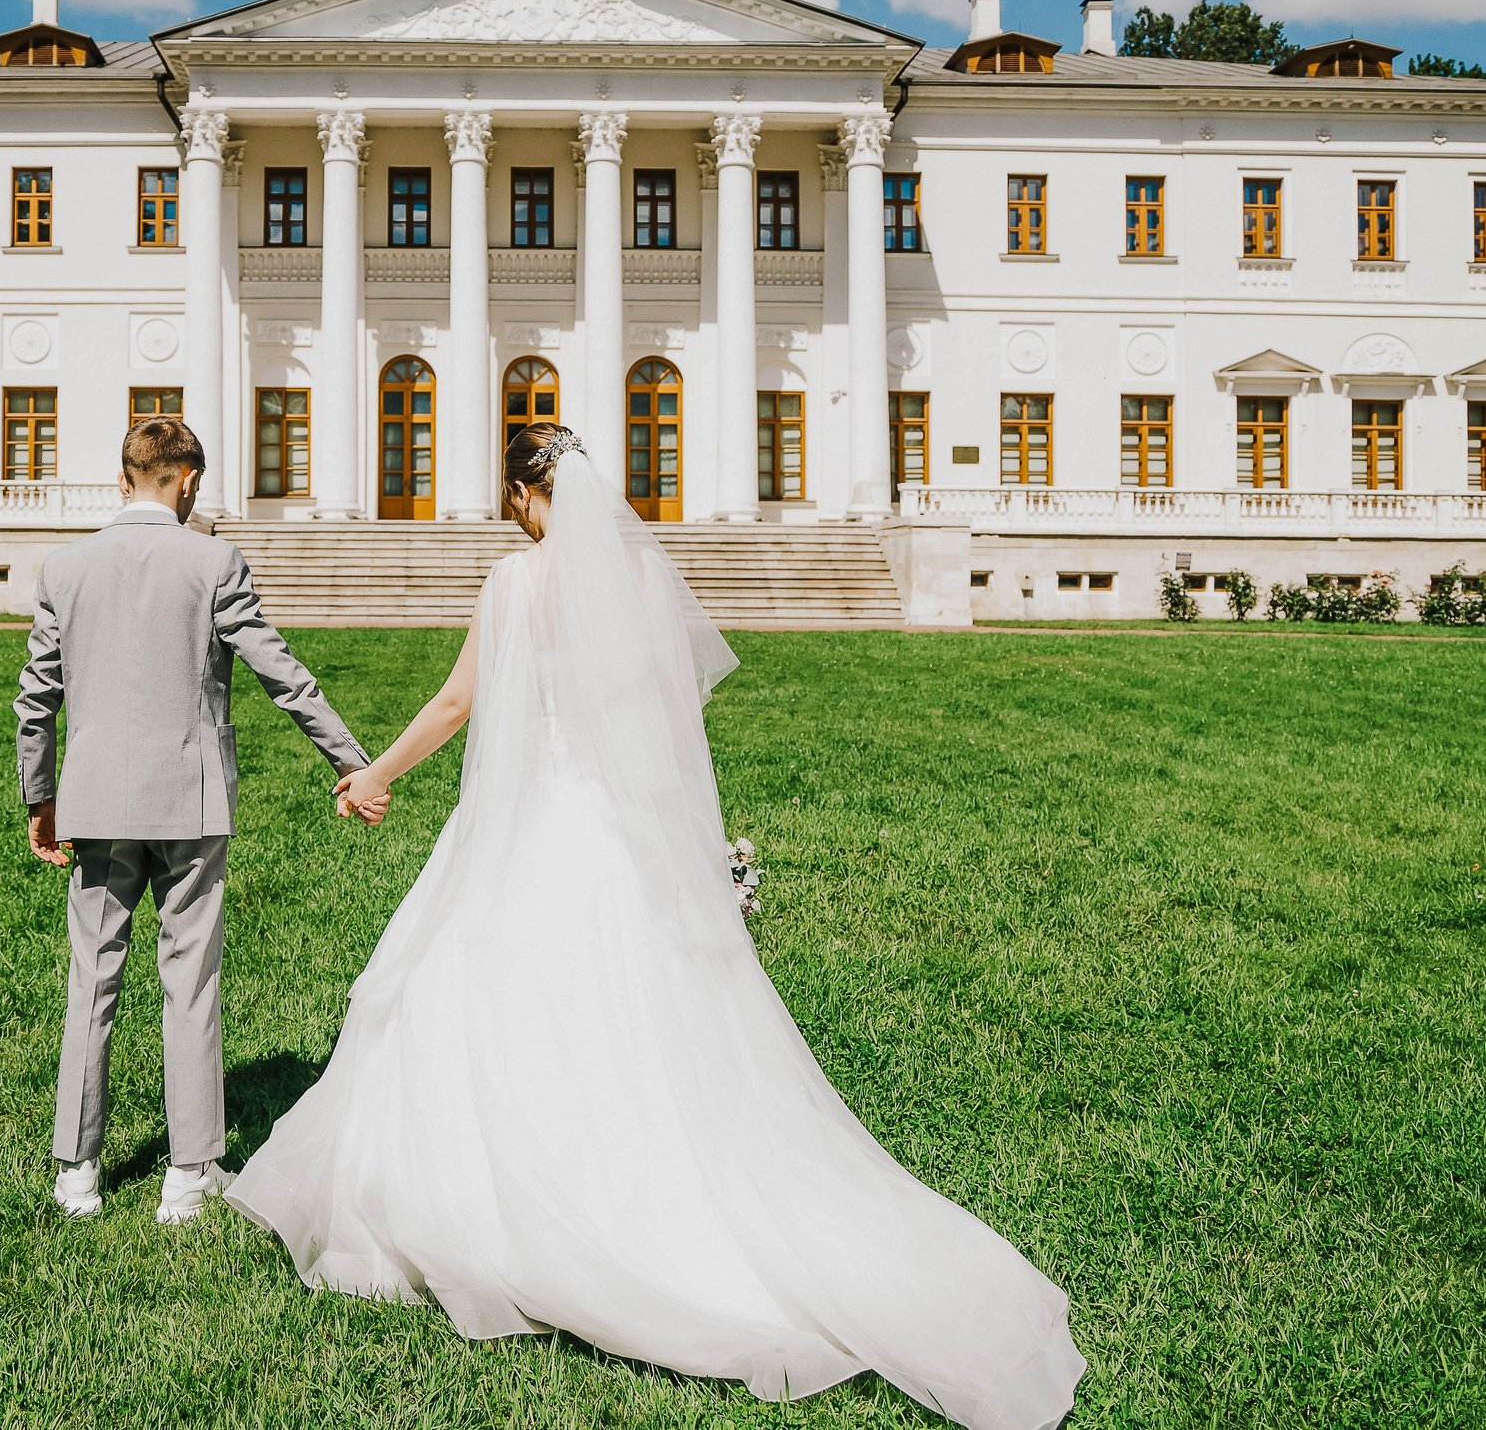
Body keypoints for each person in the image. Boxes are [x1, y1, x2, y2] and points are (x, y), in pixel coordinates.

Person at [227, 425, 1086, 1426]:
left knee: (468, 995)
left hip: (521, 830)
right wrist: (690, 854)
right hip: (614, 834)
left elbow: (459, 701)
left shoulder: (511, 585)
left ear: (524, 493)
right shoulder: (637, 586)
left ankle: (507, 1219)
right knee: (644, 1017)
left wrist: (373, 775)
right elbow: (664, 725)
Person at [15, 416, 372, 1226]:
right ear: (185, 480)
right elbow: (280, 670)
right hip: (191, 800)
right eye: (194, 485)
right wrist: (350, 759)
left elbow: (36, 699)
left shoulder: (64, 568)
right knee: (191, 983)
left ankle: (77, 1170)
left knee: (91, 981)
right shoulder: (214, 561)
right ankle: (189, 1171)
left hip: (96, 803)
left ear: (123, 476)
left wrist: (42, 799)